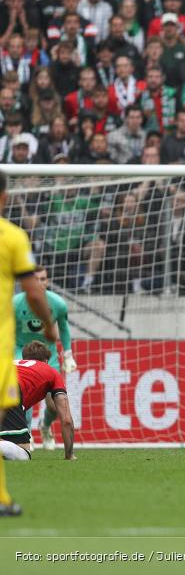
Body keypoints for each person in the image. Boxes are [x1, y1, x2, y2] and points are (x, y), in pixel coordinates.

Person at [0, 170, 58, 517]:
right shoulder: (12, 237)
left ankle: (3, 499)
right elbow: (34, 291)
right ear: (5, 197)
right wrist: (49, 326)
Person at [13, 265, 75, 451]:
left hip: (49, 354)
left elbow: (63, 328)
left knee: (54, 405)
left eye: (43, 279)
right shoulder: (15, 304)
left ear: (47, 281)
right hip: (21, 350)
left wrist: (68, 353)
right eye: (35, 279)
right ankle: (27, 434)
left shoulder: (57, 304)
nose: (39, 283)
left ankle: (45, 427)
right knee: (23, 394)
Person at [0, 341, 75, 461]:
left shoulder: (12, 363)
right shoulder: (51, 372)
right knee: (23, 453)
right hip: (9, 388)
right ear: (46, 361)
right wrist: (69, 455)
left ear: (24, 358)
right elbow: (66, 420)